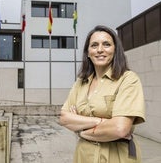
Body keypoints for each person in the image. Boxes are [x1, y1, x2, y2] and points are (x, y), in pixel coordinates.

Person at [59, 25, 145, 163]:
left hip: (116, 156)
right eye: (94, 45)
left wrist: (81, 129)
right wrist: (100, 122)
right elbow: (64, 117)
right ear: (88, 52)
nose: (100, 50)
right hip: (84, 155)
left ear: (115, 50)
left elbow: (120, 128)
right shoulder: (81, 82)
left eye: (106, 44)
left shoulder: (128, 79)